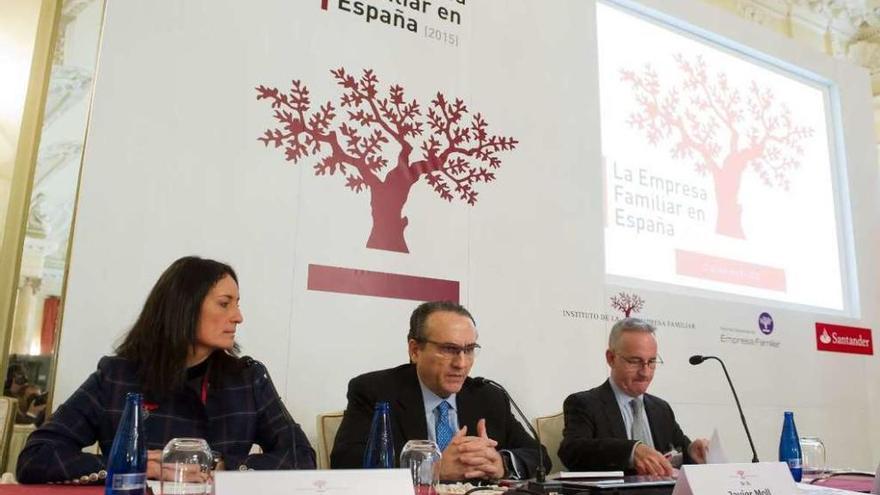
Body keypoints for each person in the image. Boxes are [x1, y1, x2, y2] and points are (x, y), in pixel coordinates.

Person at [16, 256, 316, 484]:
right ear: (184, 307)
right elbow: (37, 455)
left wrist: (221, 467)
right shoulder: (117, 376)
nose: (238, 317)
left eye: (237, 304)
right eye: (225, 304)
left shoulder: (248, 379)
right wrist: (137, 465)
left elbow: (301, 456)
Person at [331, 300, 549, 480]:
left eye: (469, 350)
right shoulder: (375, 391)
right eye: (449, 349)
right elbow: (345, 463)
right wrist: (432, 469)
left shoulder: (488, 396)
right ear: (415, 350)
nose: (461, 363)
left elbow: (539, 457)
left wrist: (500, 464)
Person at [559, 317, 709, 476]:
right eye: (635, 361)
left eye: (651, 362)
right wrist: (632, 451)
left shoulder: (661, 409)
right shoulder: (584, 404)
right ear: (611, 358)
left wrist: (692, 452)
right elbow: (571, 451)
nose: (645, 372)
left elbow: (677, 454)